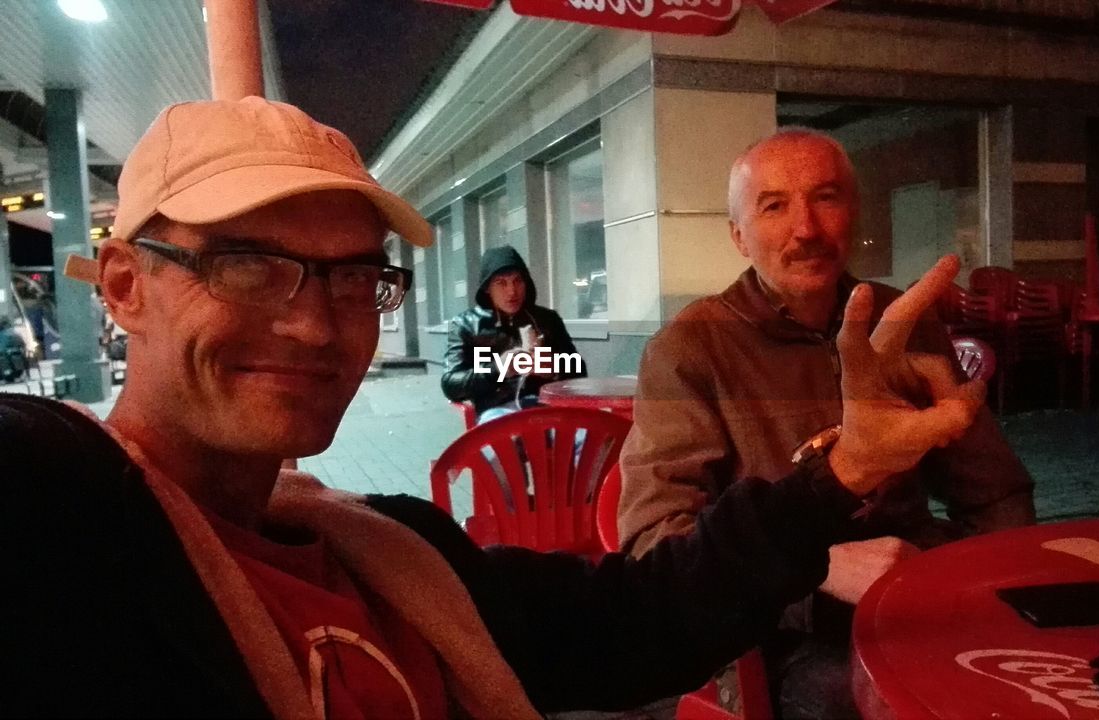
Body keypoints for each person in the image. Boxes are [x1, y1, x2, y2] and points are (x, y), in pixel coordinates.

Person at [0, 98, 986, 717]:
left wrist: (841, 470)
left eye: (350, 279)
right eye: (249, 266)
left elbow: (633, 618)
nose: (310, 326)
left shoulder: (396, 554)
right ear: (123, 286)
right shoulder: (73, 521)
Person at [617, 128, 1035, 718]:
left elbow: (996, 490)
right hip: (782, 633)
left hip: (916, 597)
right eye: (773, 206)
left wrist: (996, 588)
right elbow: (653, 545)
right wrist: (814, 572)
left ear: (854, 214)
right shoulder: (690, 349)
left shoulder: (902, 320)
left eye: (826, 198)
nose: (806, 229)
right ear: (738, 236)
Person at [441, 245, 585, 423]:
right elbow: (450, 384)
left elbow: (579, 370)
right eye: (501, 283)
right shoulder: (465, 325)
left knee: (591, 438)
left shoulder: (548, 319)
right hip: (497, 411)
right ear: (487, 288)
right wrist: (498, 369)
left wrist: (555, 367)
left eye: (518, 281)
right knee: (512, 441)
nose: (512, 291)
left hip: (547, 407)